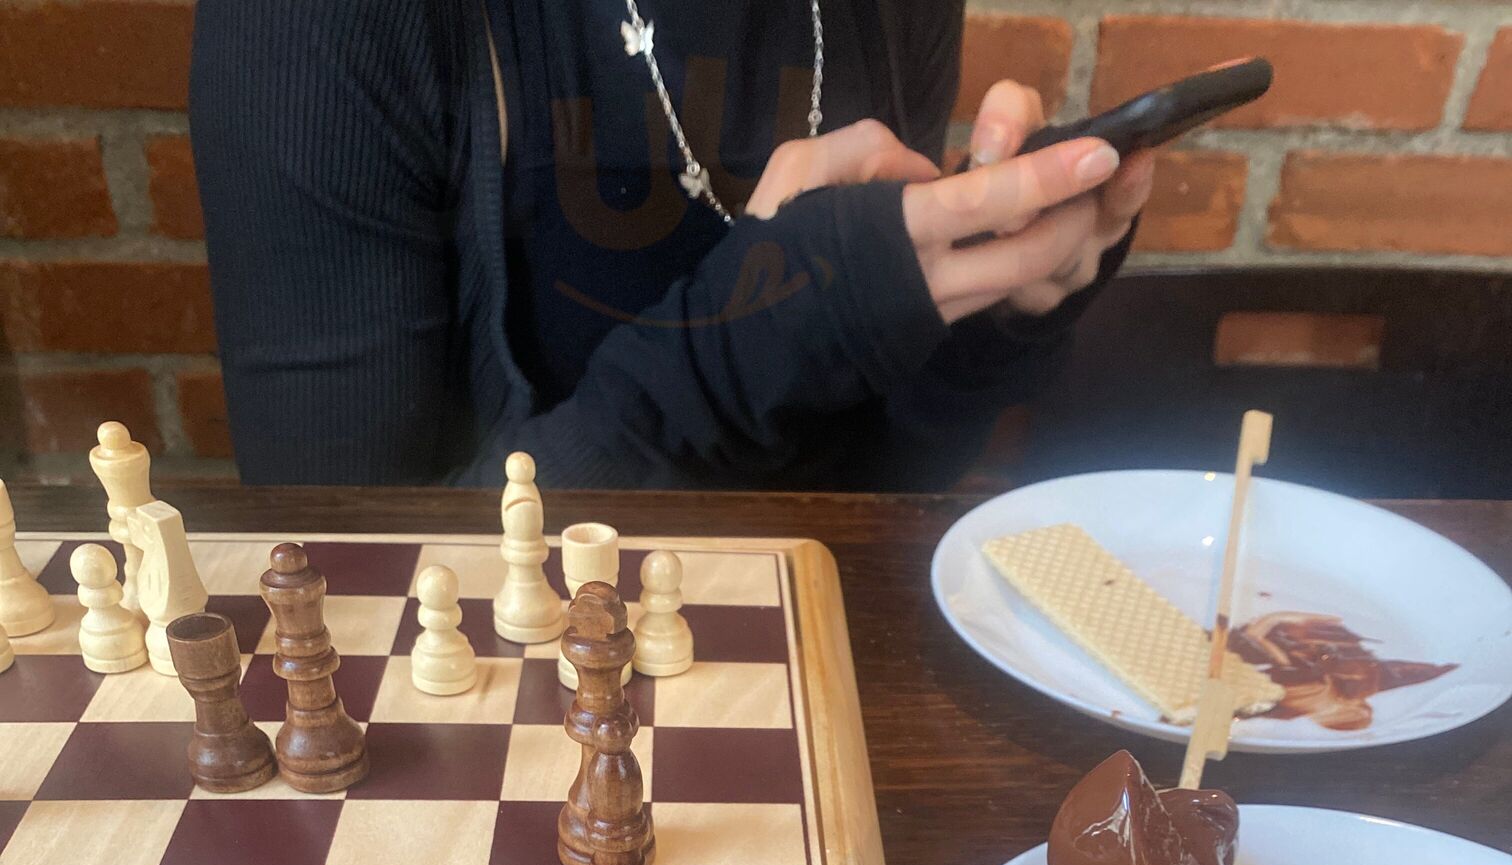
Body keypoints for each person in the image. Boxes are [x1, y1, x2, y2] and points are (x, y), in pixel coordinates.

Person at [190, 2, 1152, 489]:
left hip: (821, 688)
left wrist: (998, 306)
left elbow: (887, 488)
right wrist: (748, 347)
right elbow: (349, 600)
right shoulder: (316, 26)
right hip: (520, 752)